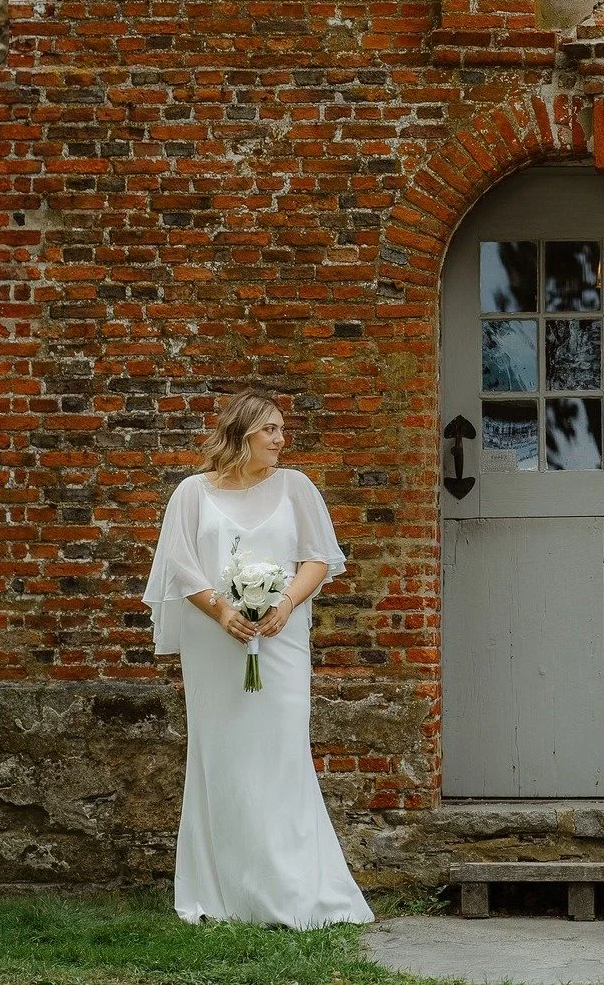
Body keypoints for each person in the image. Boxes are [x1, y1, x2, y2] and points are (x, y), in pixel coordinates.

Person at [142, 390, 373, 927]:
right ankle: (223, 892)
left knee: (282, 752)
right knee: (221, 756)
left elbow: (318, 558)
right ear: (242, 431)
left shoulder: (296, 487)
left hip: (281, 637)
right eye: (270, 429)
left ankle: (293, 889)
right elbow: (180, 563)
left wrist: (286, 603)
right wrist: (222, 611)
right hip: (213, 640)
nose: (280, 439)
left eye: (281, 429)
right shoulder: (192, 493)